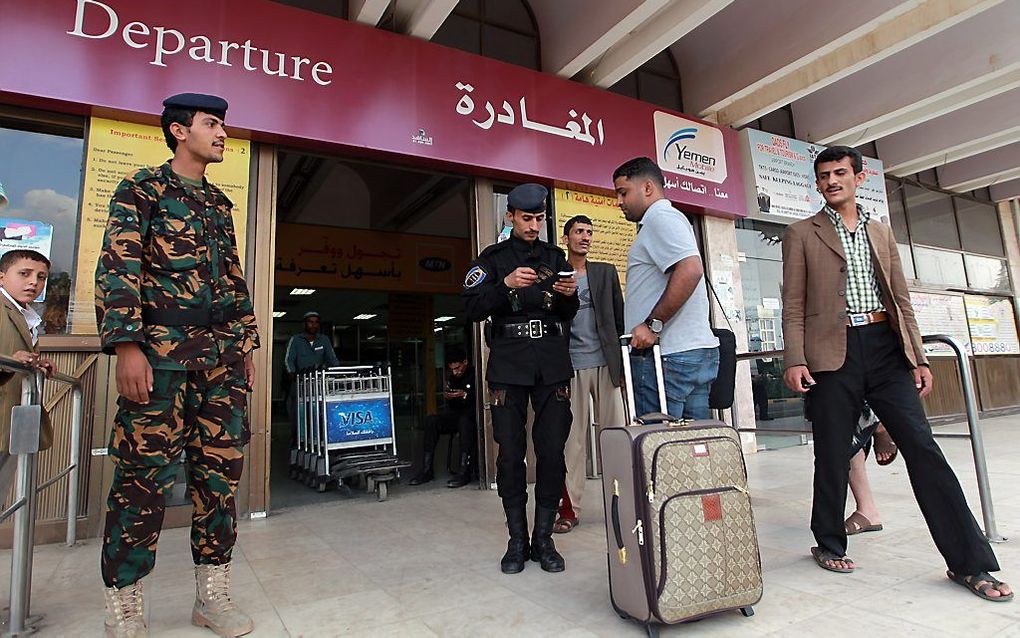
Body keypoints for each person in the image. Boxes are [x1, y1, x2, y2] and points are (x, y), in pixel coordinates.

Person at [782, 145, 1011, 601]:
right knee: (831, 453)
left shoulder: (882, 232)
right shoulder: (801, 234)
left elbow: (901, 299)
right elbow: (793, 304)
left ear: (857, 178)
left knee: (924, 449)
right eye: (824, 175)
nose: (831, 181)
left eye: (840, 173)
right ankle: (828, 541)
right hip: (832, 355)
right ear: (817, 182)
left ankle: (970, 563)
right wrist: (794, 358)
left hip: (885, 349)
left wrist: (919, 358)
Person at [95, 93, 262, 637]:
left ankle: (211, 596)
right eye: (212, 124)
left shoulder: (219, 204)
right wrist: (126, 346)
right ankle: (126, 604)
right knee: (142, 479)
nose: (222, 134)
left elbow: (233, 282)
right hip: (160, 359)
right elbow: (119, 266)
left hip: (221, 362)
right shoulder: (141, 189)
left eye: (223, 124)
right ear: (177, 130)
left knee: (219, 478)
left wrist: (247, 347)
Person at [462, 183, 578, 574]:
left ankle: (543, 540)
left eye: (539, 218)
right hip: (508, 366)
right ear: (510, 216)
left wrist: (568, 294)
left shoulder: (554, 256)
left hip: (551, 364)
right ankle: (516, 540)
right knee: (511, 454)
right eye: (526, 218)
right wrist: (505, 285)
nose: (533, 225)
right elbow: (471, 309)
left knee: (551, 451)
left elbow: (567, 313)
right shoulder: (492, 260)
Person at [612, 157, 719, 419]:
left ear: (647, 188)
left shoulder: (660, 218)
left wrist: (652, 325)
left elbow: (690, 269)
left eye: (623, 192)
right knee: (691, 449)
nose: (619, 202)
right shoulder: (669, 219)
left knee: (658, 446)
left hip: (668, 356)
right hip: (687, 354)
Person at [554, 215, 625, 534]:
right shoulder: (557, 275)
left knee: (616, 435)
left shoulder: (605, 272)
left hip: (606, 364)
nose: (585, 237)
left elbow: (619, 318)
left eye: (589, 232)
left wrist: (622, 364)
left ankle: (624, 503)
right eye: (579, 232)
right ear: (566, 237)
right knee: (573, 442)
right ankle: (570, 509)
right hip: (572, 367)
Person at [0, 250, 56, 499]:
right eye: (24, 274)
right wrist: (10, 361)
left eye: (41, 277)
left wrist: (34, 363)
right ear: (2, 277)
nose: (34, 282)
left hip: (10, 418)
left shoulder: (26, 315)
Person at [408, 346, 477, 488]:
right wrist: (450, 397)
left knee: (465, 422)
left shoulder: (475, 374)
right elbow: (452, 406)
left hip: (471, 417)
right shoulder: (452, 377)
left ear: (465, 362)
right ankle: (427, 470)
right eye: (452, 369)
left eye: (457, 368)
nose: (455, 372)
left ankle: (465, 471)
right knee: (431, 421)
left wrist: (464, 395)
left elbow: (479, 399)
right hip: (456, 415)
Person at [284, 311, 339, 440]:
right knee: (299, 414)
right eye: (310, 322)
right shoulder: (296, 340)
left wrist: (336, 371)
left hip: (318, 384)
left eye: (316, 322)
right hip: (299, 383)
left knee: (319, 412)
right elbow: (288, 359)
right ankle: (298, 441)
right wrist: (291, 372)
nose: (313, 325)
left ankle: (318, 439)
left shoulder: (324, 340)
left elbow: (332, 359)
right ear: (304, 324)